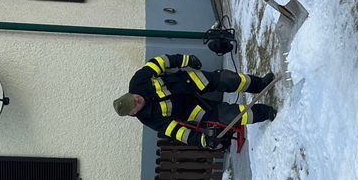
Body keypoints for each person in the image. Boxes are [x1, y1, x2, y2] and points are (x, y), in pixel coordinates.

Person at [113, 52, 276, 150]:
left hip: (191, 82)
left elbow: (160, 62)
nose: (137, 99)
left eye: (133, 98)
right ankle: (266, 112)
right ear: (133, 113)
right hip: (192, 109)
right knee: (229, 116)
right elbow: (178, 132)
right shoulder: (149, 119)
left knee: (229, 80)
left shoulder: (137, 82)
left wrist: (185, 60)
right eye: (134, 105)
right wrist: (204, 141)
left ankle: (261, 84)